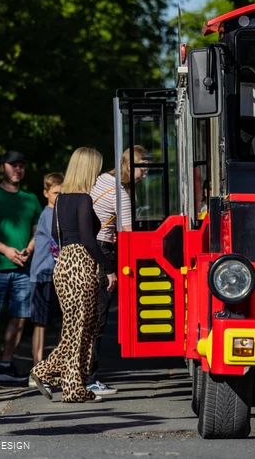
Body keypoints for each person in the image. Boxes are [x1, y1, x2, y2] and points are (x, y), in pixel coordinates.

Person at [29, 147, 115, 403]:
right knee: (79, 330)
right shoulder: (83, 200)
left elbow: (57, 236)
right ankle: (43, 371)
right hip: (81, 264)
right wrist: (108, 269)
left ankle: (73, 387)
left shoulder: (61, 200)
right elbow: (90, 240)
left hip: (64, 262)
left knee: (82, 328)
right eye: (97, 169)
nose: (98, 174)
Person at [0, 150, 41, 383]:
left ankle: (5, 364)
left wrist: (29, 249)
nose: (18, 169)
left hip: (22, 268)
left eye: (21, 165)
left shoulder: (30, 199)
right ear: (3, 167)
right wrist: (6, 250)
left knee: (20, 317)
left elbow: (37, 231)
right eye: (13, 165)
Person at [87, 146, 147, 395]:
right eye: (143, 169)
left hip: (87, 249)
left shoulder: (101, 179)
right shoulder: (120, 193)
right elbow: (128, 233)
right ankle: (90, 378)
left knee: (86, 316)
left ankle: (78, 374)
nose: (145, 175)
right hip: (103, 250)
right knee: (99, 318)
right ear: (130, 167)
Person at [28, 172, 64, 387]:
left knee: (63, 323)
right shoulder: (48, 214)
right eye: (55, 193)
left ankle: (56, 368)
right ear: (46, 193)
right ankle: (37, 370)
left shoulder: (59, 213)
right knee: (40, 323)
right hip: (43, 274)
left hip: (58, 275)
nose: (59, 197)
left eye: (62, 193)